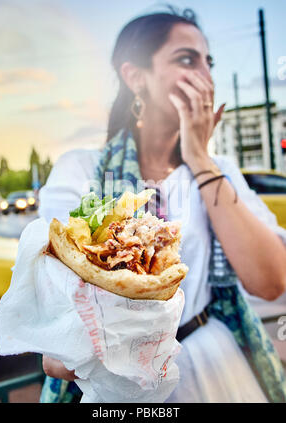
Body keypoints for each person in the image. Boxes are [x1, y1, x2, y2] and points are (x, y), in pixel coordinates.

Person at [39, 6, 286, 403]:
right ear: (136, 76)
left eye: (209, 62)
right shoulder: (80, 170)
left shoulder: (219, 170)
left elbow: (272, 281)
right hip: (120, 382)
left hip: (209, 359)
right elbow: (59, 339)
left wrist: (201, 159)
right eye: (186, 59)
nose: (206, 76)